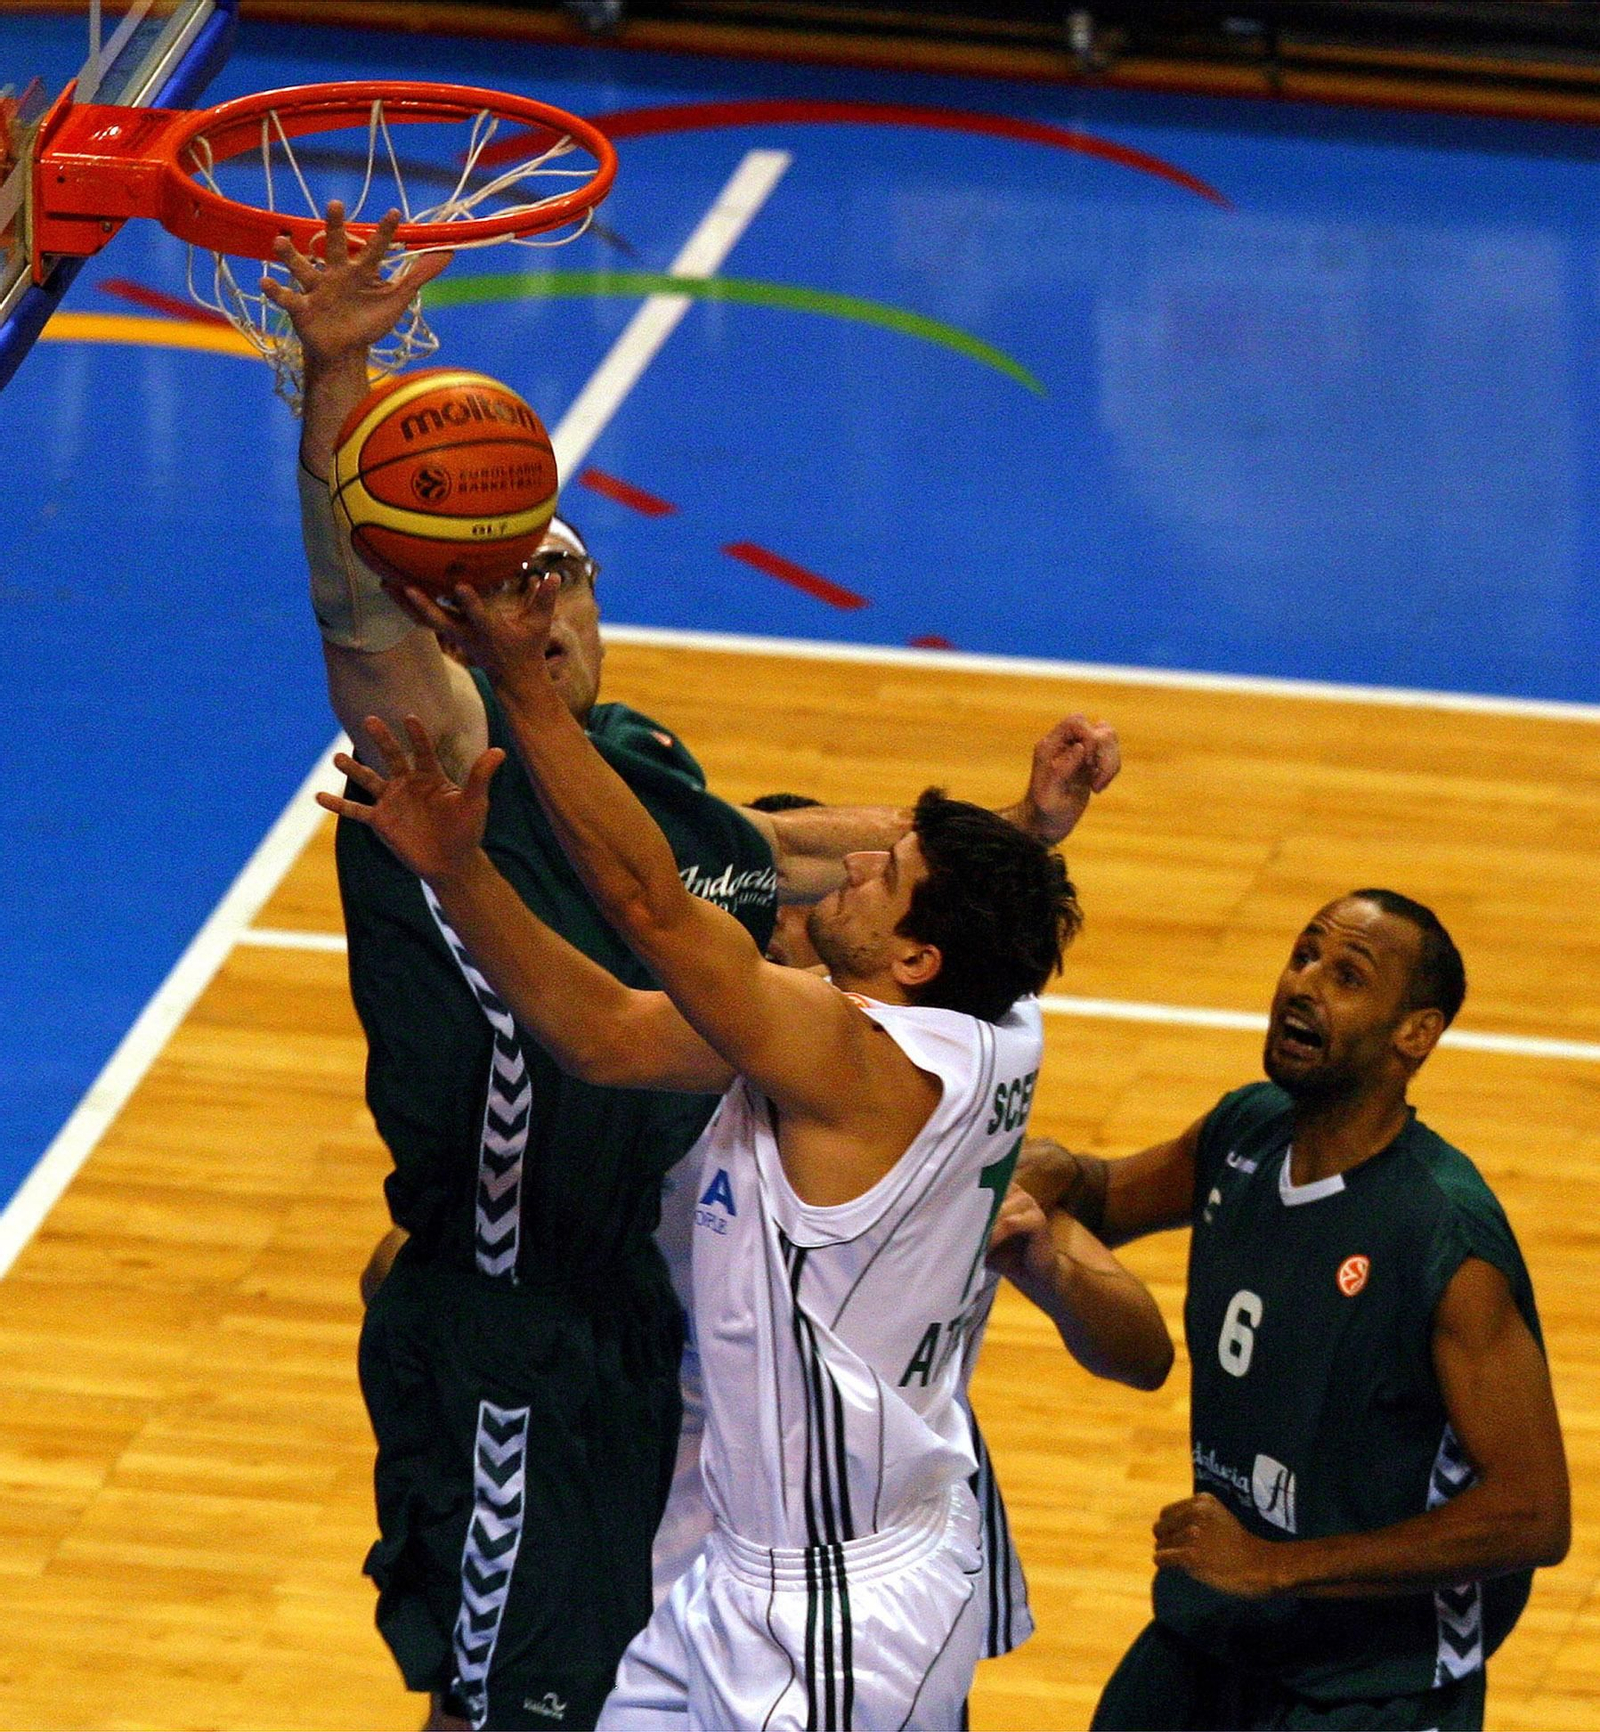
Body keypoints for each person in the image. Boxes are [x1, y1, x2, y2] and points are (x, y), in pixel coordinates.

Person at [265, 204, 1122, 1730]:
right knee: (506, 1702)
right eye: (507, 579)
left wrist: (1012, 837)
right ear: (455, 606)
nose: (545, 602)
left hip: (695, 1371)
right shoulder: (449, 753)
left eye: (563, 574)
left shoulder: (638, 765)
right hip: (529, 1339)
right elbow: (359, 611)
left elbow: (768, 877)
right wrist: (340, 377)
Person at [314, 562, 1173, 1728]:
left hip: (837, 1604)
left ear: (913, 964)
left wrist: (524, 687)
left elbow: (653, 907)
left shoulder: (849, 1054)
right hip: (761, 1564)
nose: (861, 859)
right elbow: (605, 1034)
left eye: (889, 878)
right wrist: (458, 870)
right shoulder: (990, 1020)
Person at [1015, 891, 1569, 1732]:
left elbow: (1534, 1514)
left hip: (1374, 1684)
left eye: (1347, 975)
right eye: (1303, 956)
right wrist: (1056, 1171)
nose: (1303, 984)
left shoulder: (1445, 1240)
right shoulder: (1249, 1131)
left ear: (1413, 1034)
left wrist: (1276, 1566)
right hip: (1222, 1627)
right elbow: (1104, 1194)